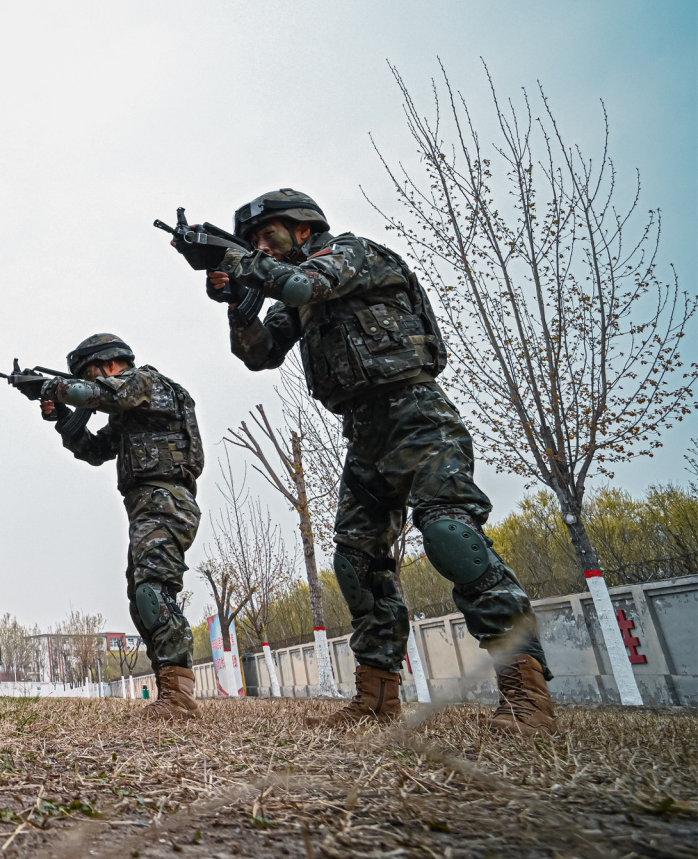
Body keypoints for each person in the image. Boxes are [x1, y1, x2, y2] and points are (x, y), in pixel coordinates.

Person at [208, 189, 554, 731]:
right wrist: (236, 300)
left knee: (450, 536)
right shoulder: (295, 297)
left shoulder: (352, 254)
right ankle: (376, 697)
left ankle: (526, 692)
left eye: (264, 235)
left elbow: (304, 281)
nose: (257, 246)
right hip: (364, 434)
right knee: (357, 562)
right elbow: (258, 354)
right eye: (250, 240)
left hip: (417, 417)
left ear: (302, 228)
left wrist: (235, 260)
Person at [23, 334, 204, 718]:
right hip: (146, 507)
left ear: (108, 365)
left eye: (90, 374)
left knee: (153, 591)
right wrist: (61, 419)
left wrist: (51, 387)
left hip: (166, 500)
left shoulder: (145, 383)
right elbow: (92, 450)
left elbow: (99, 395)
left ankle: (180, 699)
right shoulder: (129, 412)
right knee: (141, 597)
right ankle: (171, 691)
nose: (91, 382)